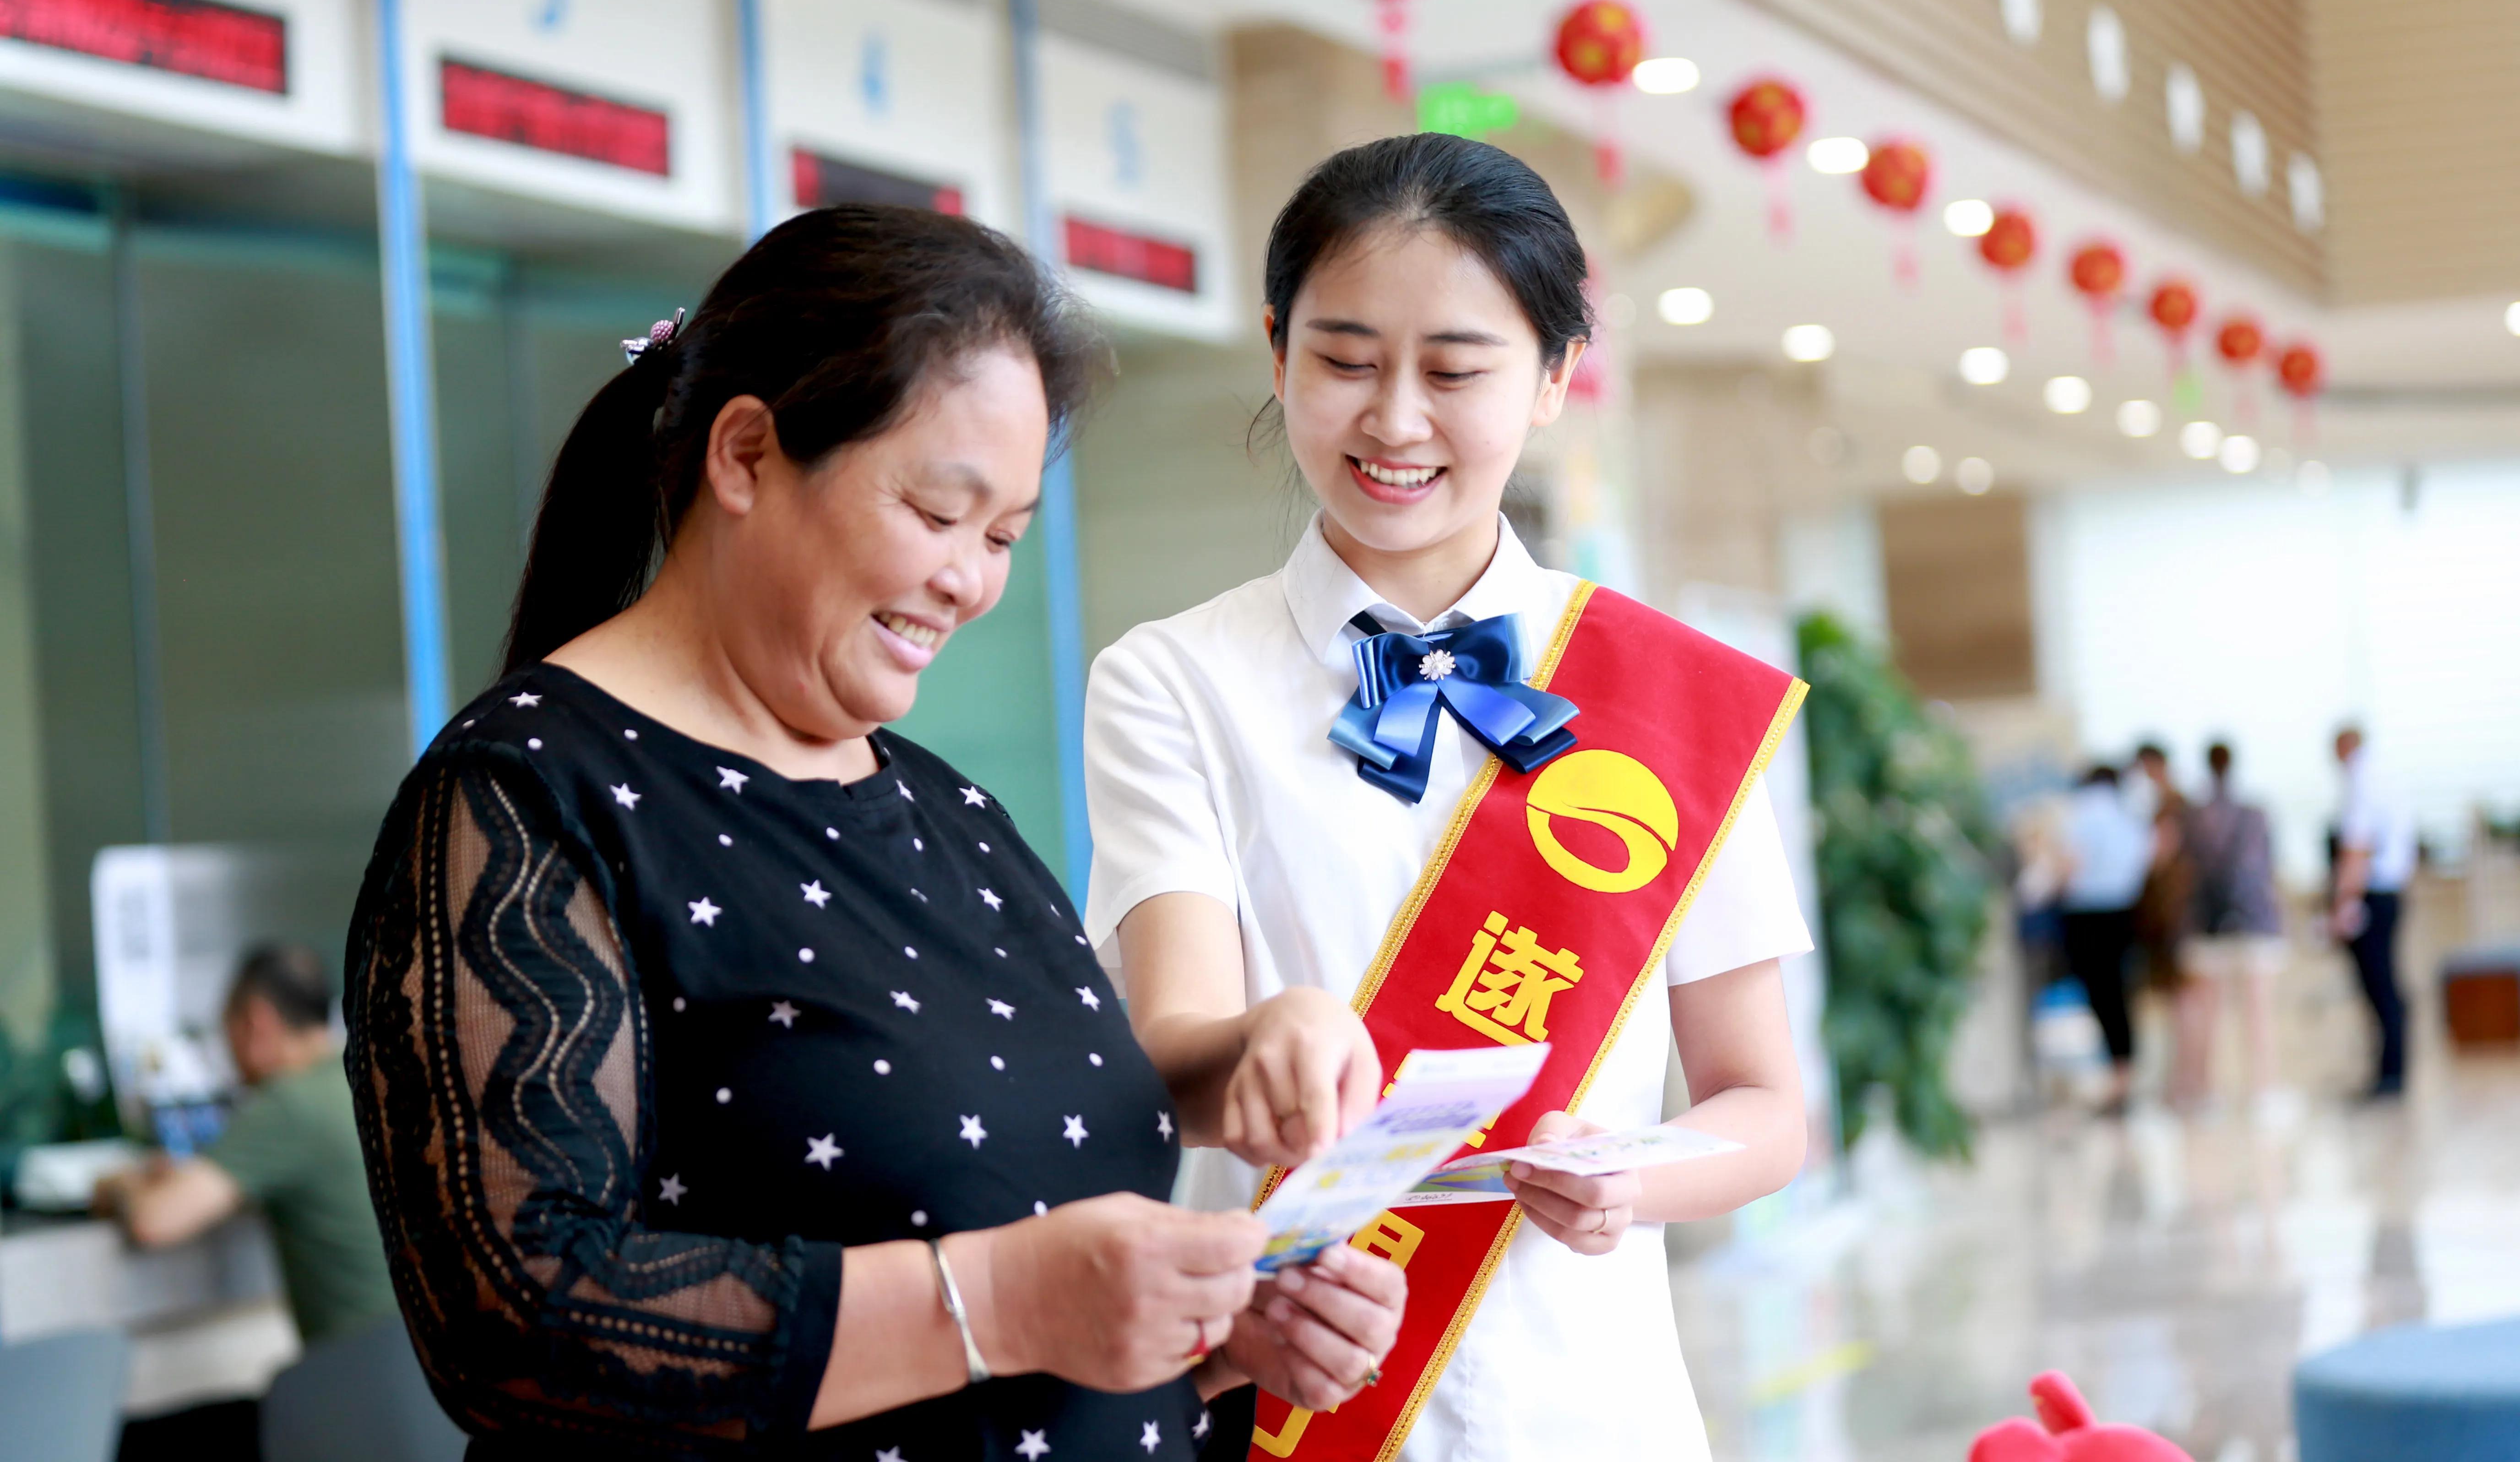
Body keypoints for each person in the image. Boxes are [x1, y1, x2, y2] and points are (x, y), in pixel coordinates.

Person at [342, 206, 1401, 1461]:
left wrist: (1211, 1339)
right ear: (744, 455)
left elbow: (1025, 1213)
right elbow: (517, 1323)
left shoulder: (951, 813)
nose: (972, 581)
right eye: (937, 512)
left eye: (1004, 536)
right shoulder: (522, 797)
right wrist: (1002, 1304)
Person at [1086, 135, 1812, 1462]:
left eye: (1457, 370)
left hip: (1594, 1410)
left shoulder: (1672, 696)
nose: (1395, 420)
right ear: (1277, 351)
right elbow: (1170, 1042)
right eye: (1347, 362)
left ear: (1554, 376)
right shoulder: (1172, 682)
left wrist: (1630, 1177)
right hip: (1300, 1395)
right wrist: (1265, 1045)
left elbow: (1764, 1105)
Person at [96, 943, 401, 1462]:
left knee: (131, 1438)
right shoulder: (362, 1081)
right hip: (418, 1388)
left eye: (227, 1032)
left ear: (257, 1022)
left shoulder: (290, 1103)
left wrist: (120, 1183)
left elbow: (154, 1220)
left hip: (355, 1396)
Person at [2173, 742, 2285, 1109]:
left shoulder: (2192, 816)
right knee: (2259, 1012)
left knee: (2208, 1014)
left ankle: (2207, 1094)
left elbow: (2182, 869)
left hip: (2208, 925)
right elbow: (2269, 869)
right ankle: (2264, 1092)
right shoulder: (2255, 813)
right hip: (2254, 923)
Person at [2060, 765, 2151, 1114]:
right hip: (2124, 913)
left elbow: (2071, 864)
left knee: (2102, 996)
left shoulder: (2084, 812)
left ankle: (2118, 1078)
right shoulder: (2129, 816)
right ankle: (2123, 1074)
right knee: (2119, 995)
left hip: (2088, 914)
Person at [2330, 725, 2412, 1098]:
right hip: (2390, 894)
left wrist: (2343, 904)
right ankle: (2390, 1072)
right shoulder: (2387, 777)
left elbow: (2358, 848)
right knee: (2387, 987)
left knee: (2379, 987)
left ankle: (2389, 1077)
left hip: (2371, 897)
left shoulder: (2362, 781)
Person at [2130, 741, 2194, 1004]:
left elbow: (2160, 855)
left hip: (2171, 907)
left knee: (2179, 988)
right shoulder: (2165, 802)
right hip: (2167, 906)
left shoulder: (2171, 803)